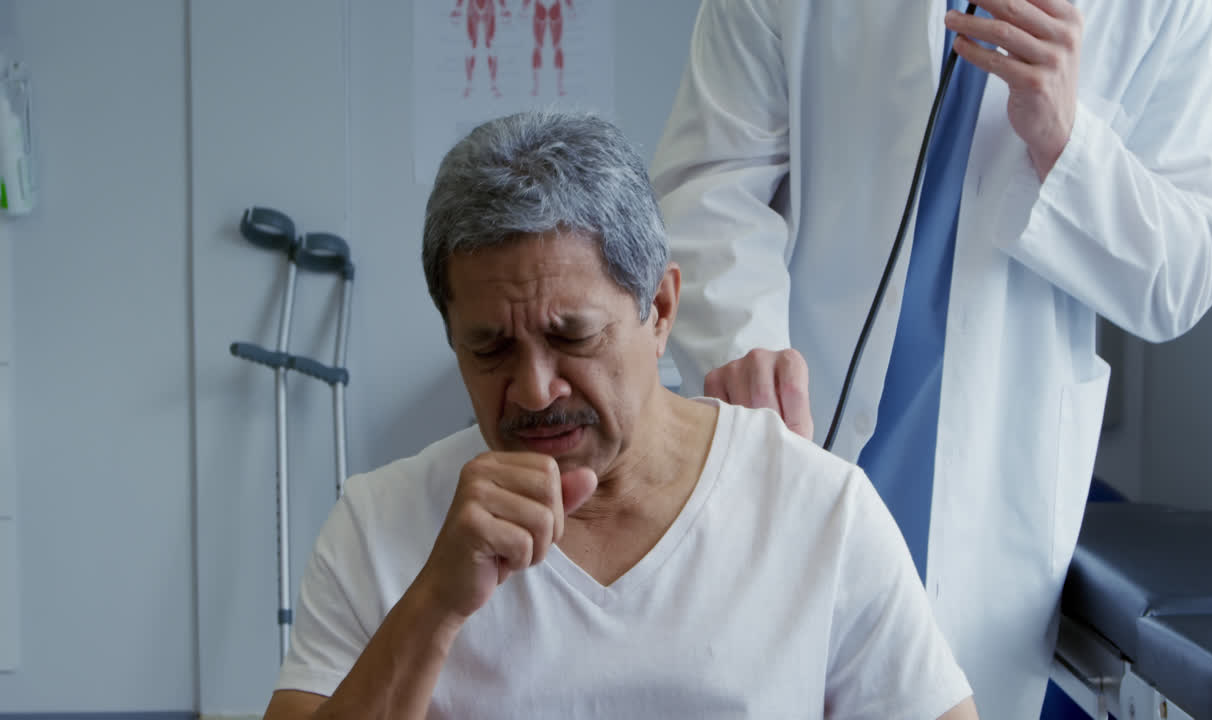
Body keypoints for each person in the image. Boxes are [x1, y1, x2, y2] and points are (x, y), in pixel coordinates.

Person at [260, 110, 980, 719]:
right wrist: (434, 608)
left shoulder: (819, 510)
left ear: (660, 309)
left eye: (573, 337)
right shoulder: (379, 526)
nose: (536, 389)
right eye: (490, 348)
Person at [649, 1, 1212, 718]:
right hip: (792, 428)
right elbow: (710, 181)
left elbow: (1190, 267)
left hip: (997, 472)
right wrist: (741, 344)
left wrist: (1067, 140)